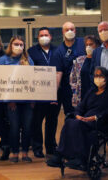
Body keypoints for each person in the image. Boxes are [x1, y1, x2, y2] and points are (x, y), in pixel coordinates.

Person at [47, 66, 108, 170]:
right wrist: (78, 115)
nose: (98, 78)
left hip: (100, 120)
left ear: (106, 77)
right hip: (85, 120)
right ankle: (60, 155)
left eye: (100, 76)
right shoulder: (91, 91)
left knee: (76, 124)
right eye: (96, 76)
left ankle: (80, 158)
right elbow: (81, 106)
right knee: (69, 122)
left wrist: (94, 117)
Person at [0, 35, 34, 163]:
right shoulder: (3, 60)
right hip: (11, 102)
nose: (18, 47)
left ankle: (25, 153)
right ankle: (14, 152)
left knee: (27, 127)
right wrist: (10, 99)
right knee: (14, 127)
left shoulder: (28, 59)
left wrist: (33, 99)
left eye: (21, 45)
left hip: (28, 101)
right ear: (11, 45)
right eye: (16, 44)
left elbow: (34, 79)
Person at [28, 27, 61, 158]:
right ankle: (37, 147)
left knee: (52, 121)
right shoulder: (31, 51)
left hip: (55, 91)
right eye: (41, 35)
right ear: (38, 38)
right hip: (38, 93)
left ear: (51, 37)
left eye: (46, 35)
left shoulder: (57, 50)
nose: (43, 37)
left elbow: (60, 69)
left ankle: (51, 147)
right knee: (36, 121)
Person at [51, 22, 86, 115]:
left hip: (86, 88)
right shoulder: (59, 52)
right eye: (67, 30)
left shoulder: (84, 43)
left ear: (75, 30)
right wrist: (53, 94)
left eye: (72, 29)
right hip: (69, 91)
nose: (70, 31)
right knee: (71, 117)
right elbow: (58, 74)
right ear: (63, 32)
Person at [69, 35, 101, 106]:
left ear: (97, 45)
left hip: (96, 96)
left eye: (91, 44)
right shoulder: (79, 60)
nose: (88, 47)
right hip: (81, 96)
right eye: (87, 44)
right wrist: (75, 91)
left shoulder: (100, 59)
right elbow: (72, 79)